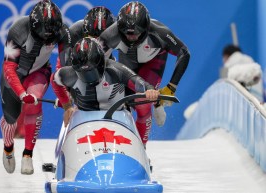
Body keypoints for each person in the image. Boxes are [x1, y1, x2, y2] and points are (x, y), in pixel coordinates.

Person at [99, 1, 190, 146]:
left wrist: (172, 87)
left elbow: (184, 53)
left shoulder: (160, 32)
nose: (131, 37)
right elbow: (94, 61)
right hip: (126, 65)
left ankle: (141, 146)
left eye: (136, 33)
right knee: (117, 100)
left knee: (142, 102)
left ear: (146, 28)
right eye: (127, 33)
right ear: (119, 28)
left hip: (153, 64)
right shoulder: (110, 35)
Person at [0, 0, 71, 175]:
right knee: (11, 119)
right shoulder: (17, 30)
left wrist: (67, 96)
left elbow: (67, 65)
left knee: (35, 101)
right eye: (42, 34)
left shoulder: (62, 31)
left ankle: (27, 154)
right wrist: (22, 94)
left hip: (39, 72)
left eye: (50, 35)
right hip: (14, 73)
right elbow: (9, 68)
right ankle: (8, 148)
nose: (47, 38)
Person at [52, 38, 160, 127]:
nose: (88, 77)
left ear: (101, 63)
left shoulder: (116, 69)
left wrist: (150, 89)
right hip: (83, 119)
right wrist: (67, 106)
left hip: (117, 117)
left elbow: (138, 82)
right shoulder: (68, 74)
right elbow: (54, 80)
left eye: (91, 71)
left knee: (143, 103)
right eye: (82, 72)